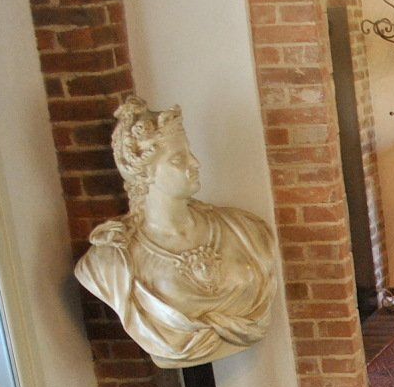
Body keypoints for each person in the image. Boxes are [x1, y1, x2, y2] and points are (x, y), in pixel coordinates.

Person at [74, 97, 278, 370]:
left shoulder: (245, 230)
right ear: (145, 174)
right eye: (178, 159)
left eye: (189, 153)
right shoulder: (111, 262)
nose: (194, 163)